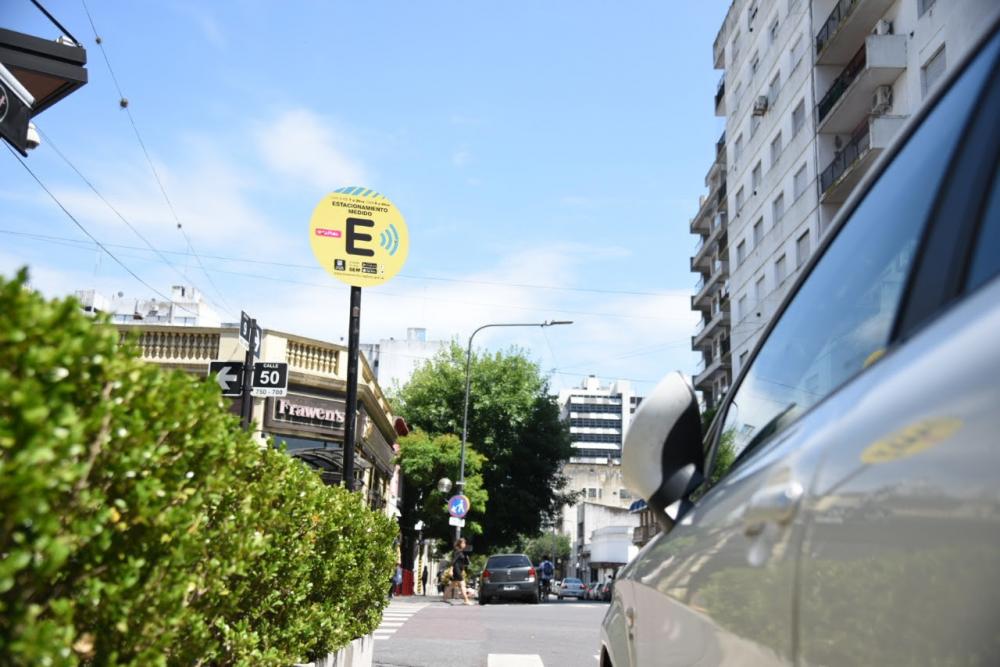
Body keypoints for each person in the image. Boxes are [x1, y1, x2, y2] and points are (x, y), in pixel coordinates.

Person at [450, 537, 472, 605]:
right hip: (456, 570)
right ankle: (466, 600)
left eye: (465, 543)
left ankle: (444, 598)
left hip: (459, 570)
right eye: (463, 543)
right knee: (462, 585)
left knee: (452, 585)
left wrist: (466, 559)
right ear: (460, 544)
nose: (465, 544)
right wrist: (451, 570)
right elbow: (453, 561)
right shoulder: (458, 551)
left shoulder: (462, 552)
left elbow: (463, 563)